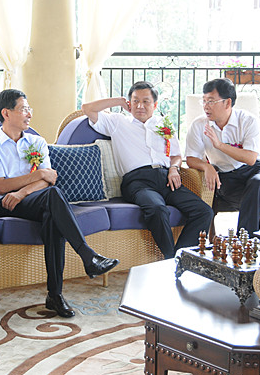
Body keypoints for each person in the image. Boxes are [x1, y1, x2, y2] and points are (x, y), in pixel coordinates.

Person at [0, 89, 119, 318]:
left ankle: (56, 294)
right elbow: (1, 186)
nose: (29, 114)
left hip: (32, 198)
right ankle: (86, 259)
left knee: (53, 211)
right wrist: (37, 176)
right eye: (24, 109)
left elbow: (49, 179)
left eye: (29, 109)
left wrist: (23, 191)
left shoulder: (36, 141)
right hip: (10, 204)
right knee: (53, 198)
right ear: (6, 113)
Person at [81, 81, 213, 259]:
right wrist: (119, 101)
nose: (140, 106)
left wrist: (174, 168)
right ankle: (170, 259)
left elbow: (176, 155)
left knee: (204, 211)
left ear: (155, 105)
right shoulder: (118, 122)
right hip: (138, 182)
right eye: (135, 101)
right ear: (129, 103)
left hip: (167, 178)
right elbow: (87, 108)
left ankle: (181, 257)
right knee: (157, 209)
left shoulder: (163, 124)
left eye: (145, 101)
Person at [185, 78, 260, 236]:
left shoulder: (247, 121)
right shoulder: (199, 125)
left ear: (227, 103)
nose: (206, 106)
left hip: (256, 169)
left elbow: (250, 159)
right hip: (226, 176)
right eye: (204, 101)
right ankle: (250, 241)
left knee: (258, 183)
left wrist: (219, 145)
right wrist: (206, 166)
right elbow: (191, 158)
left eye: (211, 101)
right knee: (253, 197)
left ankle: (243, 240)